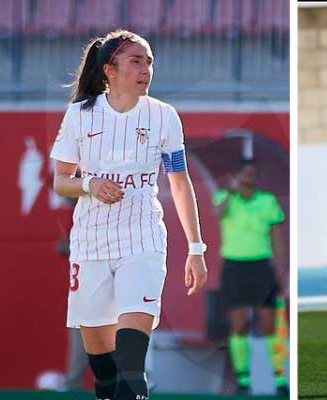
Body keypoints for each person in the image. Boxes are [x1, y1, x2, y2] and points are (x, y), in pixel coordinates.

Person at [50, 29, 208, 400]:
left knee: (131, 366)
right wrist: (90, 185)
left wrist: (196, 249)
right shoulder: (80, 116)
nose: (146, 69)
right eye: (136, 61)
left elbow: (180, 182)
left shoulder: (164, 117)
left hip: (144, 241)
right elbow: (61, 181)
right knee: (104, 374)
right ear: (110, 69)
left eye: (149, 62)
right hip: (91, 244)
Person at [212, 160, 288, 395]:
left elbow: (277, 239)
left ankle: (279, 379)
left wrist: (281, 269)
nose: (249, 180)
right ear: (237, 177)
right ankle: (243, 380)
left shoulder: (267, 201)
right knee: (238, 325)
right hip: (234, 267)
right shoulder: (224, 197)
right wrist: (231, 192)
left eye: (253, 176)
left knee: (269, 325)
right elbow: (217, 214)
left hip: (261, 267)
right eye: (245, 176)